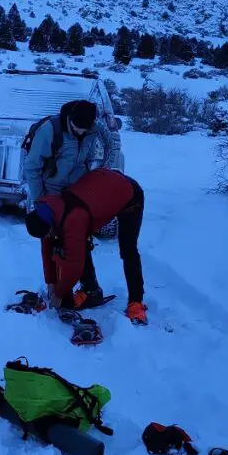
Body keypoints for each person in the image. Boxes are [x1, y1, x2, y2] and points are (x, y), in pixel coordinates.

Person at [24, 167, 147, 325]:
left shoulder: (73, 218)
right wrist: (51, 283)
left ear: (49, 227)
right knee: (77, 242)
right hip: (106, 185)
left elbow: (75, 265)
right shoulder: (46, 212)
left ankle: (136, 303)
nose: (47, 238)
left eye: (47, 234)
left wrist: (59, 294)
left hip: (129, 195)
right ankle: (91, 291)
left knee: (128, 249)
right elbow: (46, 249)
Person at [23, 101, 113, 310]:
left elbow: (110, 147)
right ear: (69, 119)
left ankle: (86, 288)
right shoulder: (50, 131)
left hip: (77, 191)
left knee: (78, 240)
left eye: (86, 128)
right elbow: (32, 167)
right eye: (77, 128)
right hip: (51, 191)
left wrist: (98, 172)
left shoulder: (94, 128)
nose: (82, 132)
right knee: (51, 239)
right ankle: (54, 286)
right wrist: (39, 201)